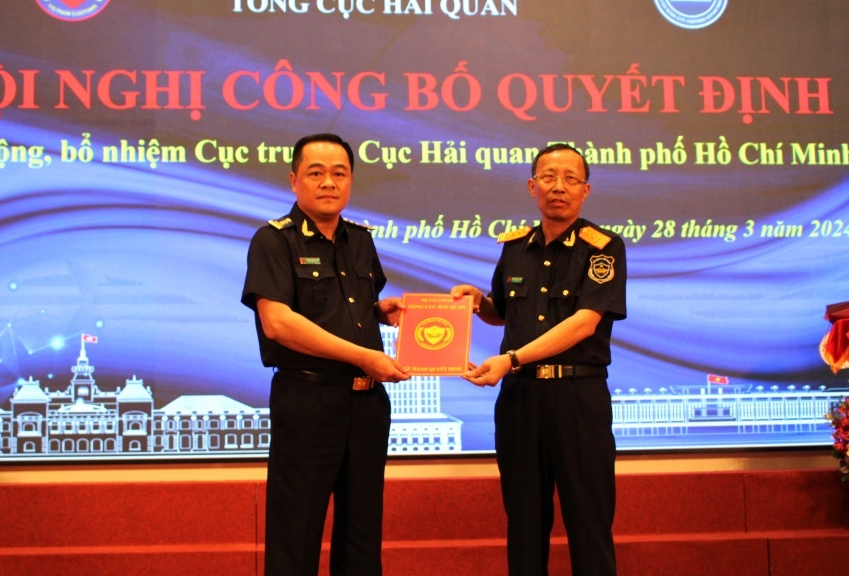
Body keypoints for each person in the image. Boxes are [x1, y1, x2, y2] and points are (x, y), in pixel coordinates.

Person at [452, 143, 627, 576]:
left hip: (577, 398)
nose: (559, 187)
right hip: (520, 401)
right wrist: (478, 302)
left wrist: (510, 360)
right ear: (533, 186)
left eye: (571, 178)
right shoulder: (514, 248)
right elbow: (503, 312)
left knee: (589, 523)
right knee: (525, 525)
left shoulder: (603, 248)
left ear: (585, 190)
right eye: (549, 177)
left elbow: (584, 323)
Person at [241, 132, 411, 576]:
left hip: (367, 404)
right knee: (296, 535)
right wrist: (361, 355)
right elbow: (278, 322)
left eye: (339, 173)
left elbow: (345, 307)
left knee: (361, 535)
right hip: (308, 401)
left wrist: (380, 311)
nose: (328, 182)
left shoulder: (360, 240)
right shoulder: (273, 241)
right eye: (316, 173)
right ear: (294, 180)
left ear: (351, 181)